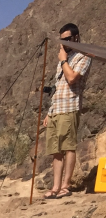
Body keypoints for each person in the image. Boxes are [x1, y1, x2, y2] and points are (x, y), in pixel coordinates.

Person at [43, 22, 92, 200]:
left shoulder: (83, 57)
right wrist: (49, 111)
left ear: (76, 38)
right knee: (55, 150)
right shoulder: (63, 60)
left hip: (70, 107)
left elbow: (71, 78)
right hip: (57, 108)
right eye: (62, 40)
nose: (64, 43)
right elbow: (58, 85)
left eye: (67, 39)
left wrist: (63, 59)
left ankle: (66, 185)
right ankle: (55, 187)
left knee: (68, 146)